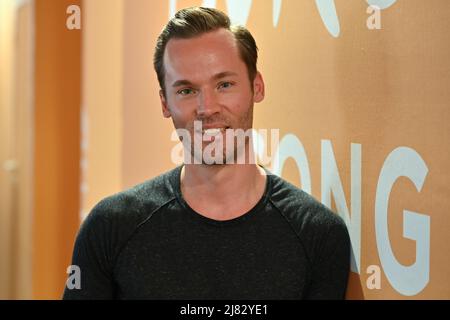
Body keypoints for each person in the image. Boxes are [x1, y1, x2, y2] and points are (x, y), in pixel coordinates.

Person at [63, 6, 350, 300]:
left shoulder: (318, 235)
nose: (207, 108)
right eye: (186, 91)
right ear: (165, 103)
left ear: (257, 86)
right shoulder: (110, 227)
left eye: (224, 84)